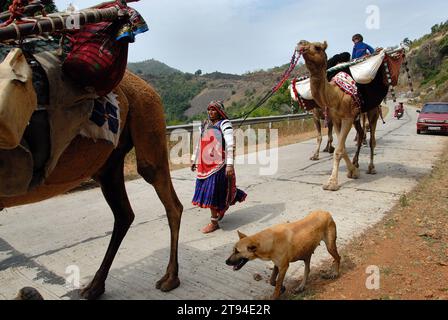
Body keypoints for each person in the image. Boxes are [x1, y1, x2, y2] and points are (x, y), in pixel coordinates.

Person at [191, 101, 247, 233]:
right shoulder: (205, 124)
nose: (210, 112)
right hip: (205, 164)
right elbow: (200, 143)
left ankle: (214, 223)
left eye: (213, 110)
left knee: (212, 193)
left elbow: (230, 145)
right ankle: (219, 212)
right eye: (209, 110)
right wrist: (194, 159)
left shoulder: (224, 124)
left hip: (219, 164)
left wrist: (229, 165)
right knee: (214, 191)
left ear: (219, 111)